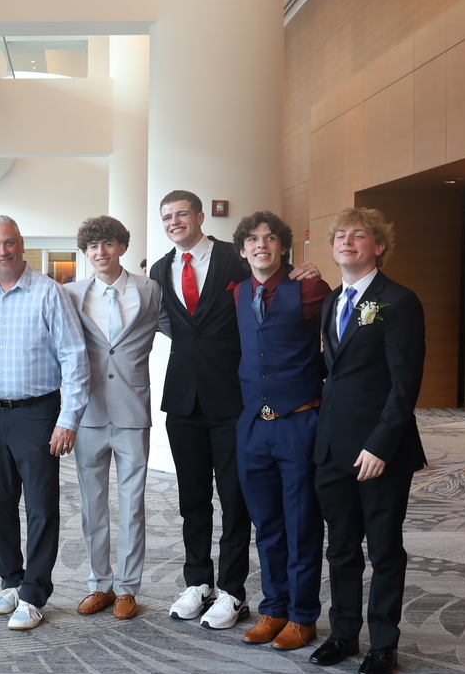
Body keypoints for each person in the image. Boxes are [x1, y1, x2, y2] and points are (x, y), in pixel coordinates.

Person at [149, 189, 318, 630]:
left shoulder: (234, 257)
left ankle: (232, 590)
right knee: (192, 499)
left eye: (182, 214)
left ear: (200, 216)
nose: (174, 222)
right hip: (183, 397)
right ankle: (197, 582)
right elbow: (172, 326)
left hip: (234, 399)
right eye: (167, 217)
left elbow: (270, 282)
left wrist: (303, 271)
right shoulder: (161, 269)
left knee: (235, 500)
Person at [309, 208, 425, 674]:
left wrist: (380, 445)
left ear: (378, 247)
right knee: (340, 548)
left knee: (384, 550)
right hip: (332, 448)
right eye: (340, 235)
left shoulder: (399, 300)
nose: (347, 241)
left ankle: (383, 644)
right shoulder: (331, 302)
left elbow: (405, 384)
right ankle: (343, 634)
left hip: (380, 451)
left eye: (358, 235)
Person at [0, 215, 89, 630]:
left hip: (38, 414)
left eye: (9, 243)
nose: (2, 251)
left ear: (21, 244)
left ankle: (35, 592)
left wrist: (68, 420)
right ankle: (11, 581)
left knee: (40, 505)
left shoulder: (49, 293)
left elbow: (75, 358)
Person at [230, 212, 330, 650]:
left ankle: (303, 616)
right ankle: (274, 608)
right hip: (254, 424)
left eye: (270, 238)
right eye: (253, 239)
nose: (261, 245)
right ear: (242, 250)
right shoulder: (239, 292)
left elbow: (341, 341)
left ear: (284, 247)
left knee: (302, 522)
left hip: (299, 420)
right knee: (266, 522)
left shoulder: (309, 287)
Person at [64, 216, 165, 620]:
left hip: (132, 410)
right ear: (86, 253)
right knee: (92, 506)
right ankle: (99, 584)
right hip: (89, 412)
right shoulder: (70, 293)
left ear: (121, 247)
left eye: (107, 244)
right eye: (92, 246)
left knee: (133, 505)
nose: (100, 252)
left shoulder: (150, 289)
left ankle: (126, 588)